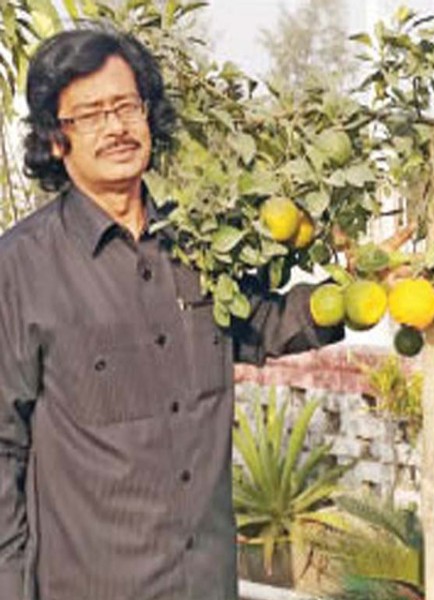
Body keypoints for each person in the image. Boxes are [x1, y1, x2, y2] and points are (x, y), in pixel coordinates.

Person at [0, 25, 344, 600]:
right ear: (56, 140)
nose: (115, 126)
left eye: (126, 105)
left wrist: (361, 293)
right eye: (89, 114)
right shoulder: (20, 270)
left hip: (206, 583)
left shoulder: (201, 245)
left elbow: (264, 324)